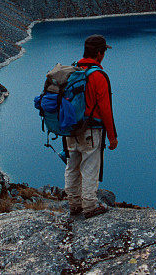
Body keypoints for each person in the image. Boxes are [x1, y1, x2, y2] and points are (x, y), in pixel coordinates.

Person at [64, 34, 117, 218]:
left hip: (70, 130)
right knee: (90, 167)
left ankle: (73, 203)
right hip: (91, 131)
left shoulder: (73, 71)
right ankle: (89, 206)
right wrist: (112, 136)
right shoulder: (98, 76)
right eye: (103, 52)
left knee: (72, 165)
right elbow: (105, 109)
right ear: (99, 53)